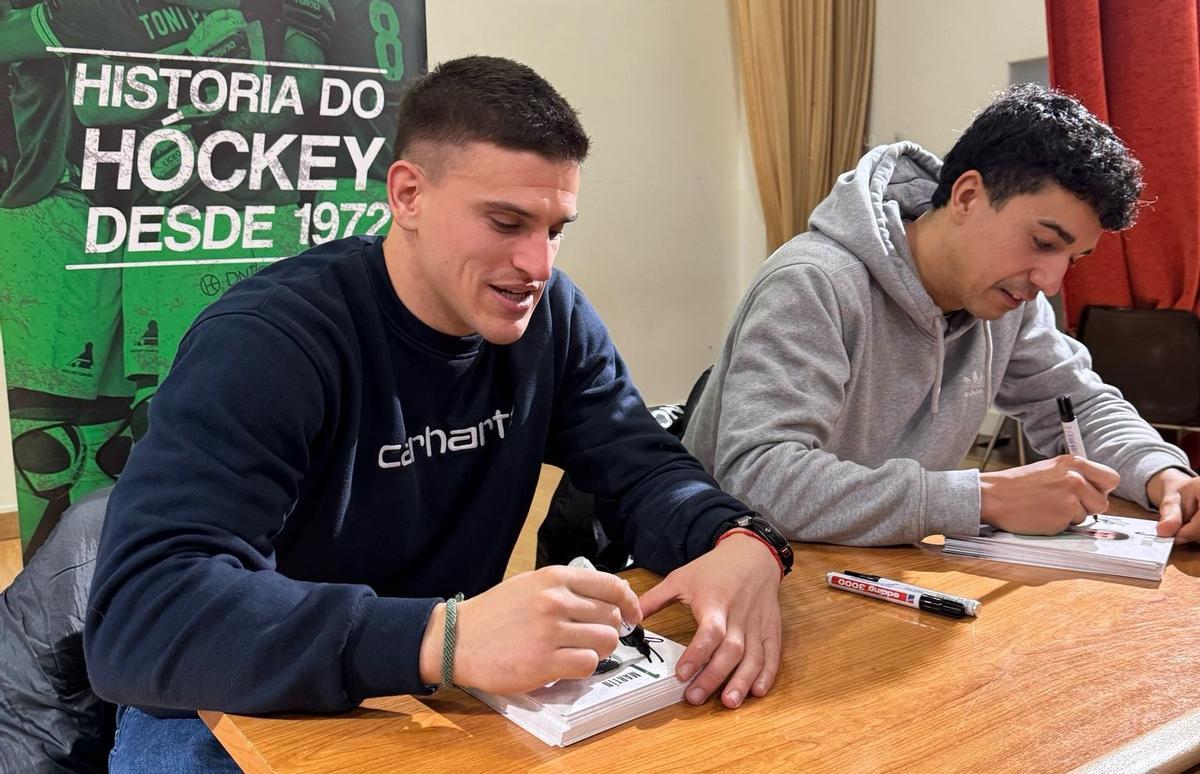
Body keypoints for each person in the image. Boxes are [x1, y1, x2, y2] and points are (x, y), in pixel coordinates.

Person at [85, 55, 788, 769]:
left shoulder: (553, 319)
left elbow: (638, 463)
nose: (538, 264)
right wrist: (442, 637)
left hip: (443, 683)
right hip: (238, 696)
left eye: (555, 228)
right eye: (507, 222)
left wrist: (738, 539)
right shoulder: (268, 344)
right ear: (408, 194)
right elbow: (139, 620)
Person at [683, 84, 1200, 547]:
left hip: (884, 574)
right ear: (968, 195)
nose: (1050, 280)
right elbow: (760, 478)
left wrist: (1164, 476)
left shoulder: (1010, 302)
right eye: (1042, 242)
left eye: (1072, 258)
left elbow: (1078, 405)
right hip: (737, 578)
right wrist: (979, 498)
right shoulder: (815, 282)